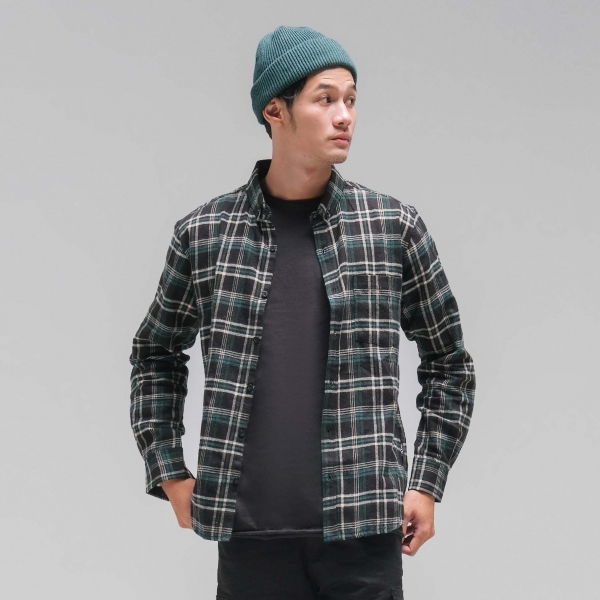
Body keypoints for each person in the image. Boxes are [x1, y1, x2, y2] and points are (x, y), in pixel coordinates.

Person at [129, 25, 476, 600]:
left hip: (364, 531)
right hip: (249, 537)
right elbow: (155, 355)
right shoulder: (206, 233)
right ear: (275, 111)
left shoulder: (391, 227)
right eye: (325, 99)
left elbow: (449, 363)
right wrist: (168, 470)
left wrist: (426, 482)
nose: (345, 116)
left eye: (352, 100)